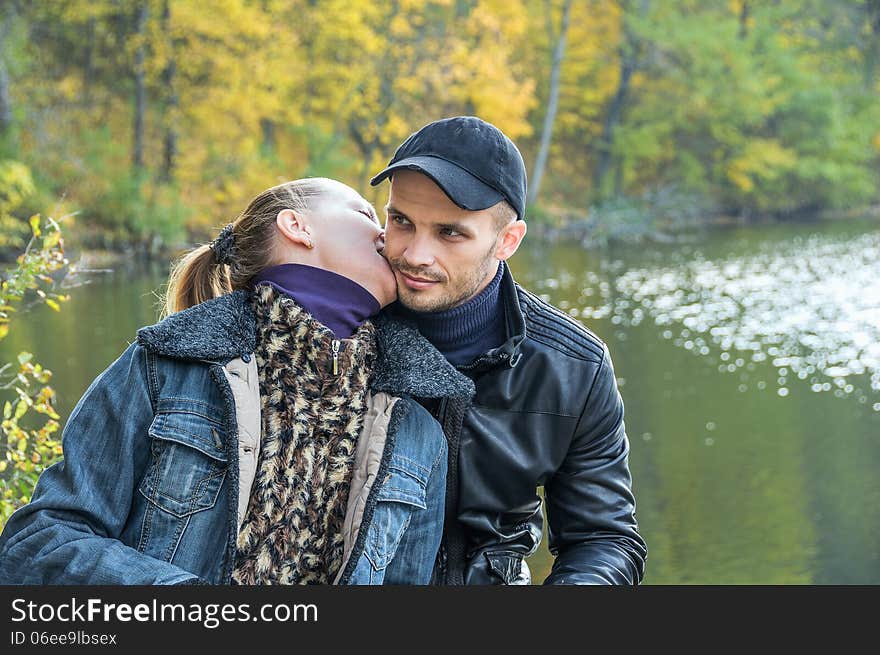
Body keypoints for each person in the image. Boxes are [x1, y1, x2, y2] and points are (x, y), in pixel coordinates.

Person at [0, 177, 473, 585]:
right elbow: (38, 542)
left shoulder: (417, 424)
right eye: (365, 213)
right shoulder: (165, 369)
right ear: (298, 227)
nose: (387, 235)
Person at [370, 116, 648, 585]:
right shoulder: (338, 330)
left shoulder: (574, 368)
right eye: (401, 221)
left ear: (508, 241)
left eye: (449, 233)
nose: (415, 254)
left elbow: (603, 539)